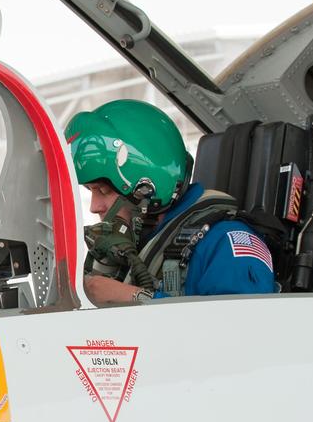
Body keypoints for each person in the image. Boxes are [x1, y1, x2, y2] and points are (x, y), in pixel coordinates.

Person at [65, 100, 276, 305]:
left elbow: (243, 332)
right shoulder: (130, 247)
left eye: (103, 190)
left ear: (146, 188)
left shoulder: (227, 244)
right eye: (91, 191)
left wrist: (134, 297)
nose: (94, 206)